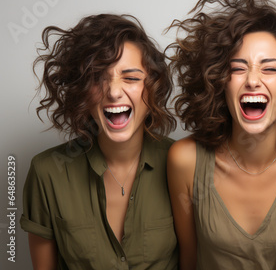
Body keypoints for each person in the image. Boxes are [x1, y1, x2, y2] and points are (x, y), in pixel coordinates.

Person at [165, 0, 276, 269]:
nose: (253, 80)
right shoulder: (185, 160)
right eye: (237, 68)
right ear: (220, 83)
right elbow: (188, 260)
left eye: (269, 69)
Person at [21, 14, 178, 269]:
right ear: (82, 91)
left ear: (153, 88)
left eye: (131, 78)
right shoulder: (47, 172)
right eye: (98, 78)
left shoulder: (182, 163)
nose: (114, 92)